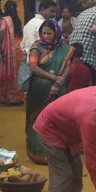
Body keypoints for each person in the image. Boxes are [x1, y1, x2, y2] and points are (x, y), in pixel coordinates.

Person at [24, 20, 73, 165]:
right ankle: (35, 152)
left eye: (49, 33)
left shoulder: (64, 48)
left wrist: (59, 81)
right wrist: (53, 78)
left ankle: (54, 154)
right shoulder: (36, 47)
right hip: (39, 90)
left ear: (56, 33)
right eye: (44, 33)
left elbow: (68, 67)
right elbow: (33, 67)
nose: (46, 36)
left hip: (59, 89)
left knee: (56, 121)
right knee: (36, 119)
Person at [0, 8, 24, 105]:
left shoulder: (5, 20)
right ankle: (17, 97)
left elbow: (2, 30)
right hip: (18, 47)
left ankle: (8, 97)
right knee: (16, 72)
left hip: (9, 48)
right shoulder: (18, 20)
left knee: (8, 70)